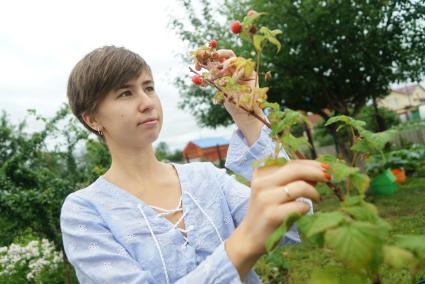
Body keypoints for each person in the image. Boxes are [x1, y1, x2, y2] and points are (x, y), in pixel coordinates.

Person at [60, 45, 328, 284]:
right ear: (92, 119)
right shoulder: (85, 212)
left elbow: (295, 222)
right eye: (125, 93)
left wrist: (249, 114)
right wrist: (243, 244)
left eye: (149, 87)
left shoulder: (207, 178)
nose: (147, 103)